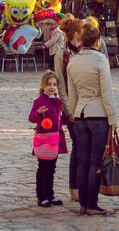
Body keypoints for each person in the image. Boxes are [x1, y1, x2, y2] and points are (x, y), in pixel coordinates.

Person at [66, 24, 118, 216]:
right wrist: (112, 118)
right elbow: (106, 92)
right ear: (97, 42)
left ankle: (83, 203)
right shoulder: (100, 60)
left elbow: (72, 95)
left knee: (82, 160)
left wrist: (73, 114)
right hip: (98, 115)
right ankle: (92, 204)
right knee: (95, 161)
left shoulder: (73, 62)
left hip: (80, 114)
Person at [53, 16, 85, 203]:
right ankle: (75, 186)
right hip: (72, 107)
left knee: (85, 148)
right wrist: (68, 109)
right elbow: (60, 84)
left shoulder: (87, 51)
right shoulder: (61, 55)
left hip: (88, 106)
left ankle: (83, 185)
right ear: (77, 34)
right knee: (78, 148)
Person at [29, 72, 67, 207]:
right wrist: (39, 113)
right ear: (43, 85)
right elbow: (31, 118)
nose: (52, 87)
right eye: (49, 84)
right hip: (44, 138)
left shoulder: (58, 101)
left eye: (54, 85)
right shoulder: (39, 101)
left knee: (52, 168)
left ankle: (50, 195)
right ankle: (42, 196)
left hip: (55, 137)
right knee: (43, 168)